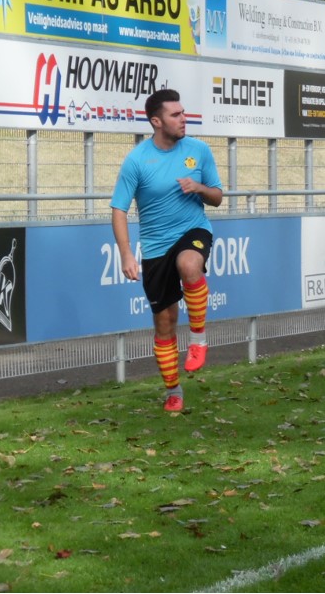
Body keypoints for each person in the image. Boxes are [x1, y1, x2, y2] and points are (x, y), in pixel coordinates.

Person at [111, 89, 223, 413]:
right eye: (176, 115)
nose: (183, 119)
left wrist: (199, 187)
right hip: (156, 247)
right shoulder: (136, 160)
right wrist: (126, 254)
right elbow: (119, 210)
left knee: (190, 265)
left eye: (183, 112)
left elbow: (217, 197)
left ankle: (199, 339)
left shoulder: (199, 150)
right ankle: (173, 391)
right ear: (156, 121)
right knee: (164, 322)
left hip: (193, 230)